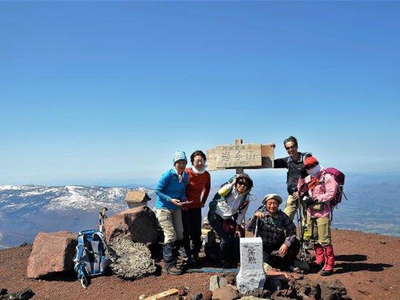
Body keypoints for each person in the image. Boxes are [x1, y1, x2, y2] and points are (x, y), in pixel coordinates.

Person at [297, 156, 339, 276]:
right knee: (314, 237)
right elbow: (300, 190)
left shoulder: (326, 177)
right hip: (311, 212)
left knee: (324, 239)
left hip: (323, 212)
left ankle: (329, 264)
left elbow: (331, 193)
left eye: (311, 166)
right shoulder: (309, 178)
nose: (310, 168)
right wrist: (301, 177)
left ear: (317, 164)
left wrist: (315, 199)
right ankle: (319, 260)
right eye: (307, 167)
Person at [207, 173, 254, 268]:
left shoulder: (246, 197)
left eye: (245, 185)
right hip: (215, 216)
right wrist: (232, 182)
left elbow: (242, 213)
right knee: (225, 239)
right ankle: (223, 261)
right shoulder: (228, 189)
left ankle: (231, 259)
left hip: (227, 219)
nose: (242, 186)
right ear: (236, 183)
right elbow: (220, 192)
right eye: (240, 183)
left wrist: (237, 227)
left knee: (233, 238)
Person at [247, 194, 302, 272]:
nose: (272, 206)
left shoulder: (282, 216)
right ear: (265, 204)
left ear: (278, 205)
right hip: (264, 247)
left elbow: (292, 230)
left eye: (275, 203)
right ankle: (284, 265)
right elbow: (248, 228)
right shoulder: (260, 214)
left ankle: (288, 263)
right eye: (269, 204)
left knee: (295, 242)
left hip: (277, 244)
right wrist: (254, 217)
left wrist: (286, 244)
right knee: (269, 261)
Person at [154, 151, 189, 275]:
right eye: (179, 162)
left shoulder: (185, 176)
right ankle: (168, 265)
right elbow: (157, 190)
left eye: (183, 162)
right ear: (174, 163)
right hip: (163, 208)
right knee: (170, 235)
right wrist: (170, 200)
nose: (181, 164)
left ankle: (178, 259)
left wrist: (184, 199)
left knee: (180, 234)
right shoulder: (168, 175)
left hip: (176, 207)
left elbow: (182, 192)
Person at [182, 150, 211, 266]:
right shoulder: (187, 172)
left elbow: (207, 188)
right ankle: (187, 256)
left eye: (201, 160)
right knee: (186, 231)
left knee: (196, 232)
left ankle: (195, 254)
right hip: (184, 207)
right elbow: (179, 187)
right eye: (197, 160)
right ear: (192, 162)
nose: (199, 163)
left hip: (196, 206)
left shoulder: (206, 174)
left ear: (204, 161)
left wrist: (203, 201)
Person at [274, 136, 311, 221]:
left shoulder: (307, 158)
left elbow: (314, 176)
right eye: (288, 148)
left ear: (297, 146)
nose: (290, 149)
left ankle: (306, 234)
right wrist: (270, 150)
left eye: (292, 146)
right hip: (293, 194)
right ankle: (287, 234)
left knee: (307, 221)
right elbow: (271, 163)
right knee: (286, 218)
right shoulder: (287, 161)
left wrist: (301, 192)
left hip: (307, 195)